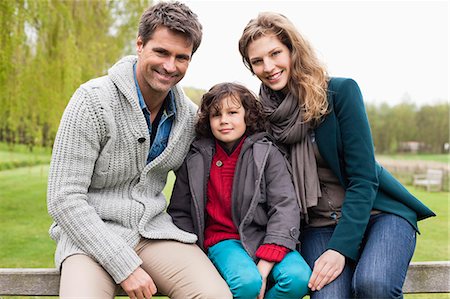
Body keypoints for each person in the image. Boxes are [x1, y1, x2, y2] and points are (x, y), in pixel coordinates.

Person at [238, 12, 435, 299]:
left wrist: (341, 248)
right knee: (328, 295)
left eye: (275, 53)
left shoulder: (340, 92)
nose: (268, 67)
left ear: (293, 49)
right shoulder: (262, 115)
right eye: (257, 61)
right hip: (318, 224)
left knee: (373, 285)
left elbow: (364, 178)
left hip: (377, 214)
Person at [46, 2, 232, 298]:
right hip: (88, 237)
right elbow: (63, 198)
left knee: (215, 295)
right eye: (161, 52)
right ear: (140, 45)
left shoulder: (187, 116)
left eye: (181, 57)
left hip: (153, 232)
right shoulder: (93, 101)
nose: (170, 66)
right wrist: (125, 267)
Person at [168, 82, 312, 299]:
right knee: (246, 283)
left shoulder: (267, 153)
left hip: (265, 236)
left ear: (248, 115)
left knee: (298, 278)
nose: (224, 120)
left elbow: (285, 206)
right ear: (208, 120)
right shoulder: (195, 157)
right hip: (222, 241)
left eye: (233, 112)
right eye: (216, 115)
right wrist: (194, 253)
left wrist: (266, 264)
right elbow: (179, 211)